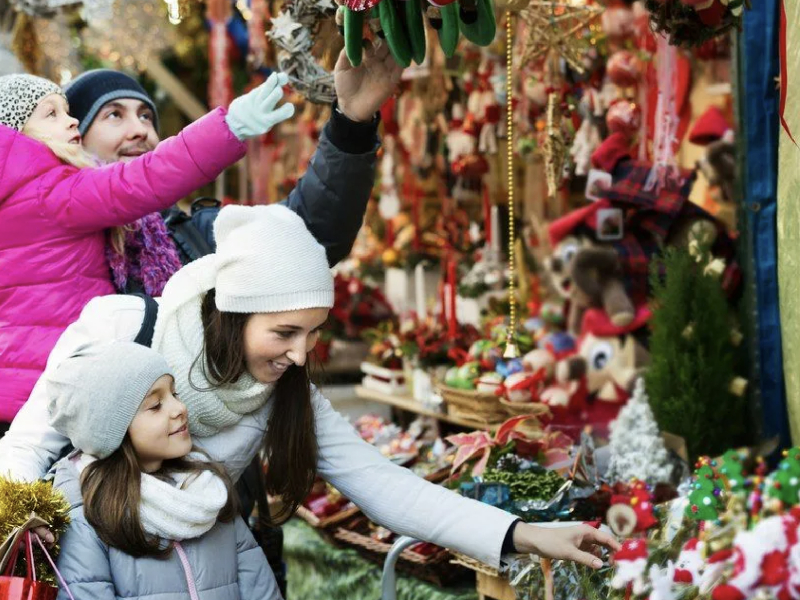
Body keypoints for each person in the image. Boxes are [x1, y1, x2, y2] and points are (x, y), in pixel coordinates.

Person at [0, 204, 619, 571]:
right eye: (285, 332)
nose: (301, 355)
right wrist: (20, 529)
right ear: (233, 313)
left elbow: (382, 484)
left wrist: (524, 533)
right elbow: (26, 447)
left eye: (314, 334)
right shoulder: (124, 327)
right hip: (83, 569)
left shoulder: (281, 395)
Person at [0, 72, 294, 435]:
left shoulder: (13, 200)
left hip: (16, 386)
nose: (71, 119)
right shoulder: (53, 192)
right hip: (64, 388)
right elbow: (143, 179)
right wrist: (229, 127)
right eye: (52, 114)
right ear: (16, 133)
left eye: (66, 109)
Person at [48, 341, 282, 599]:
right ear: (111, 433)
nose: (179, 409)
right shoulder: (87, 517)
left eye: (175, 394)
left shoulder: (207, 492)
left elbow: (260, 590)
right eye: (155, 405)